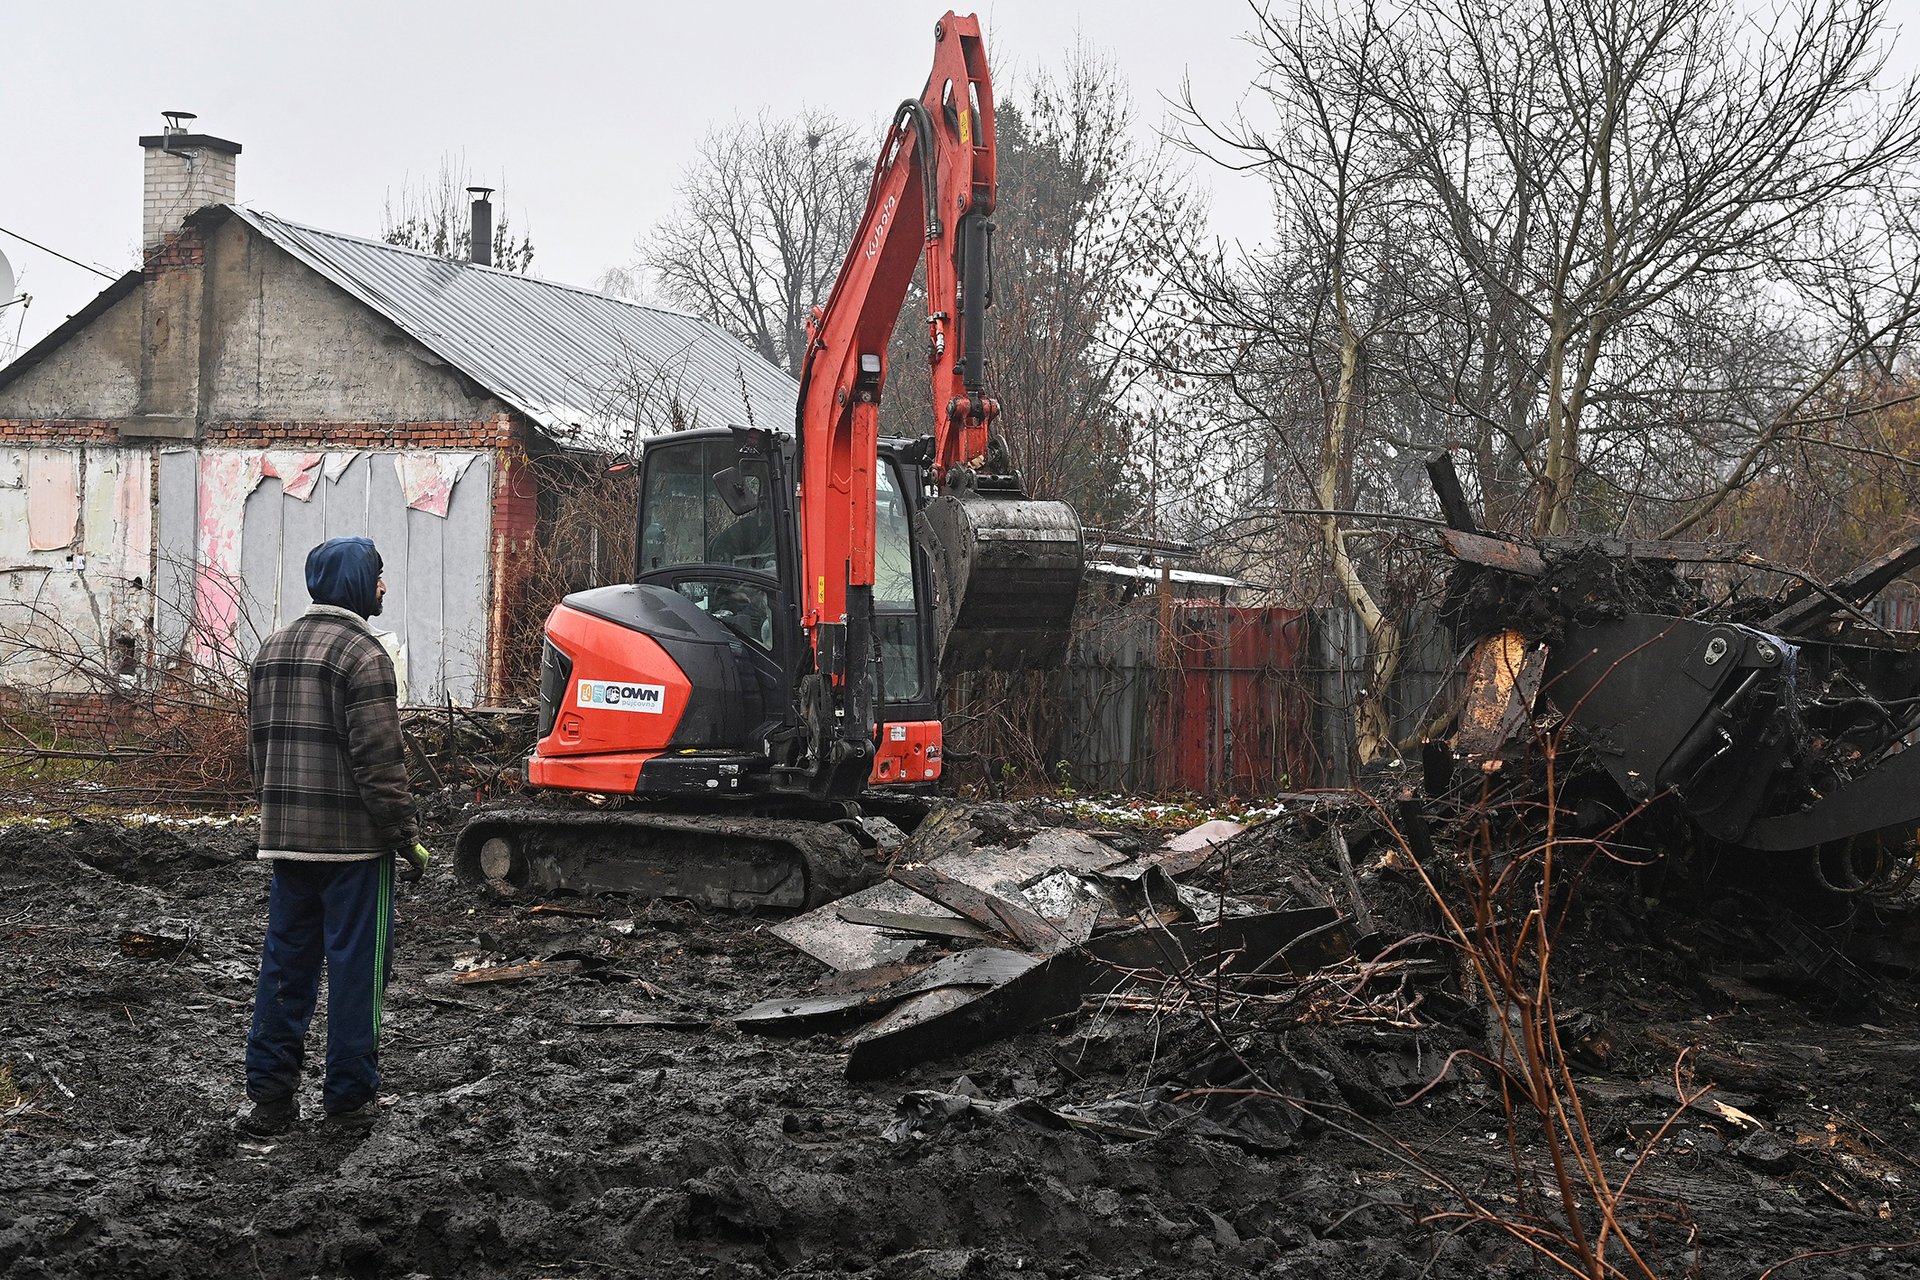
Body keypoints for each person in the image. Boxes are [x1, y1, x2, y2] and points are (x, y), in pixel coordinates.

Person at [238, 536, 426, 1136]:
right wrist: (405, 835)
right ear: (355, 583)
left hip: (285, 840)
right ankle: (348, 1103)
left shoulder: (270, 650)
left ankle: (269, 1102)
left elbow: (257, 753)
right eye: (377, 576)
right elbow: (380, 762)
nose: (383, 587)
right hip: (353, 849)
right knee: (355, 972)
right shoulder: (363, 656)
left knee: (284, 968)